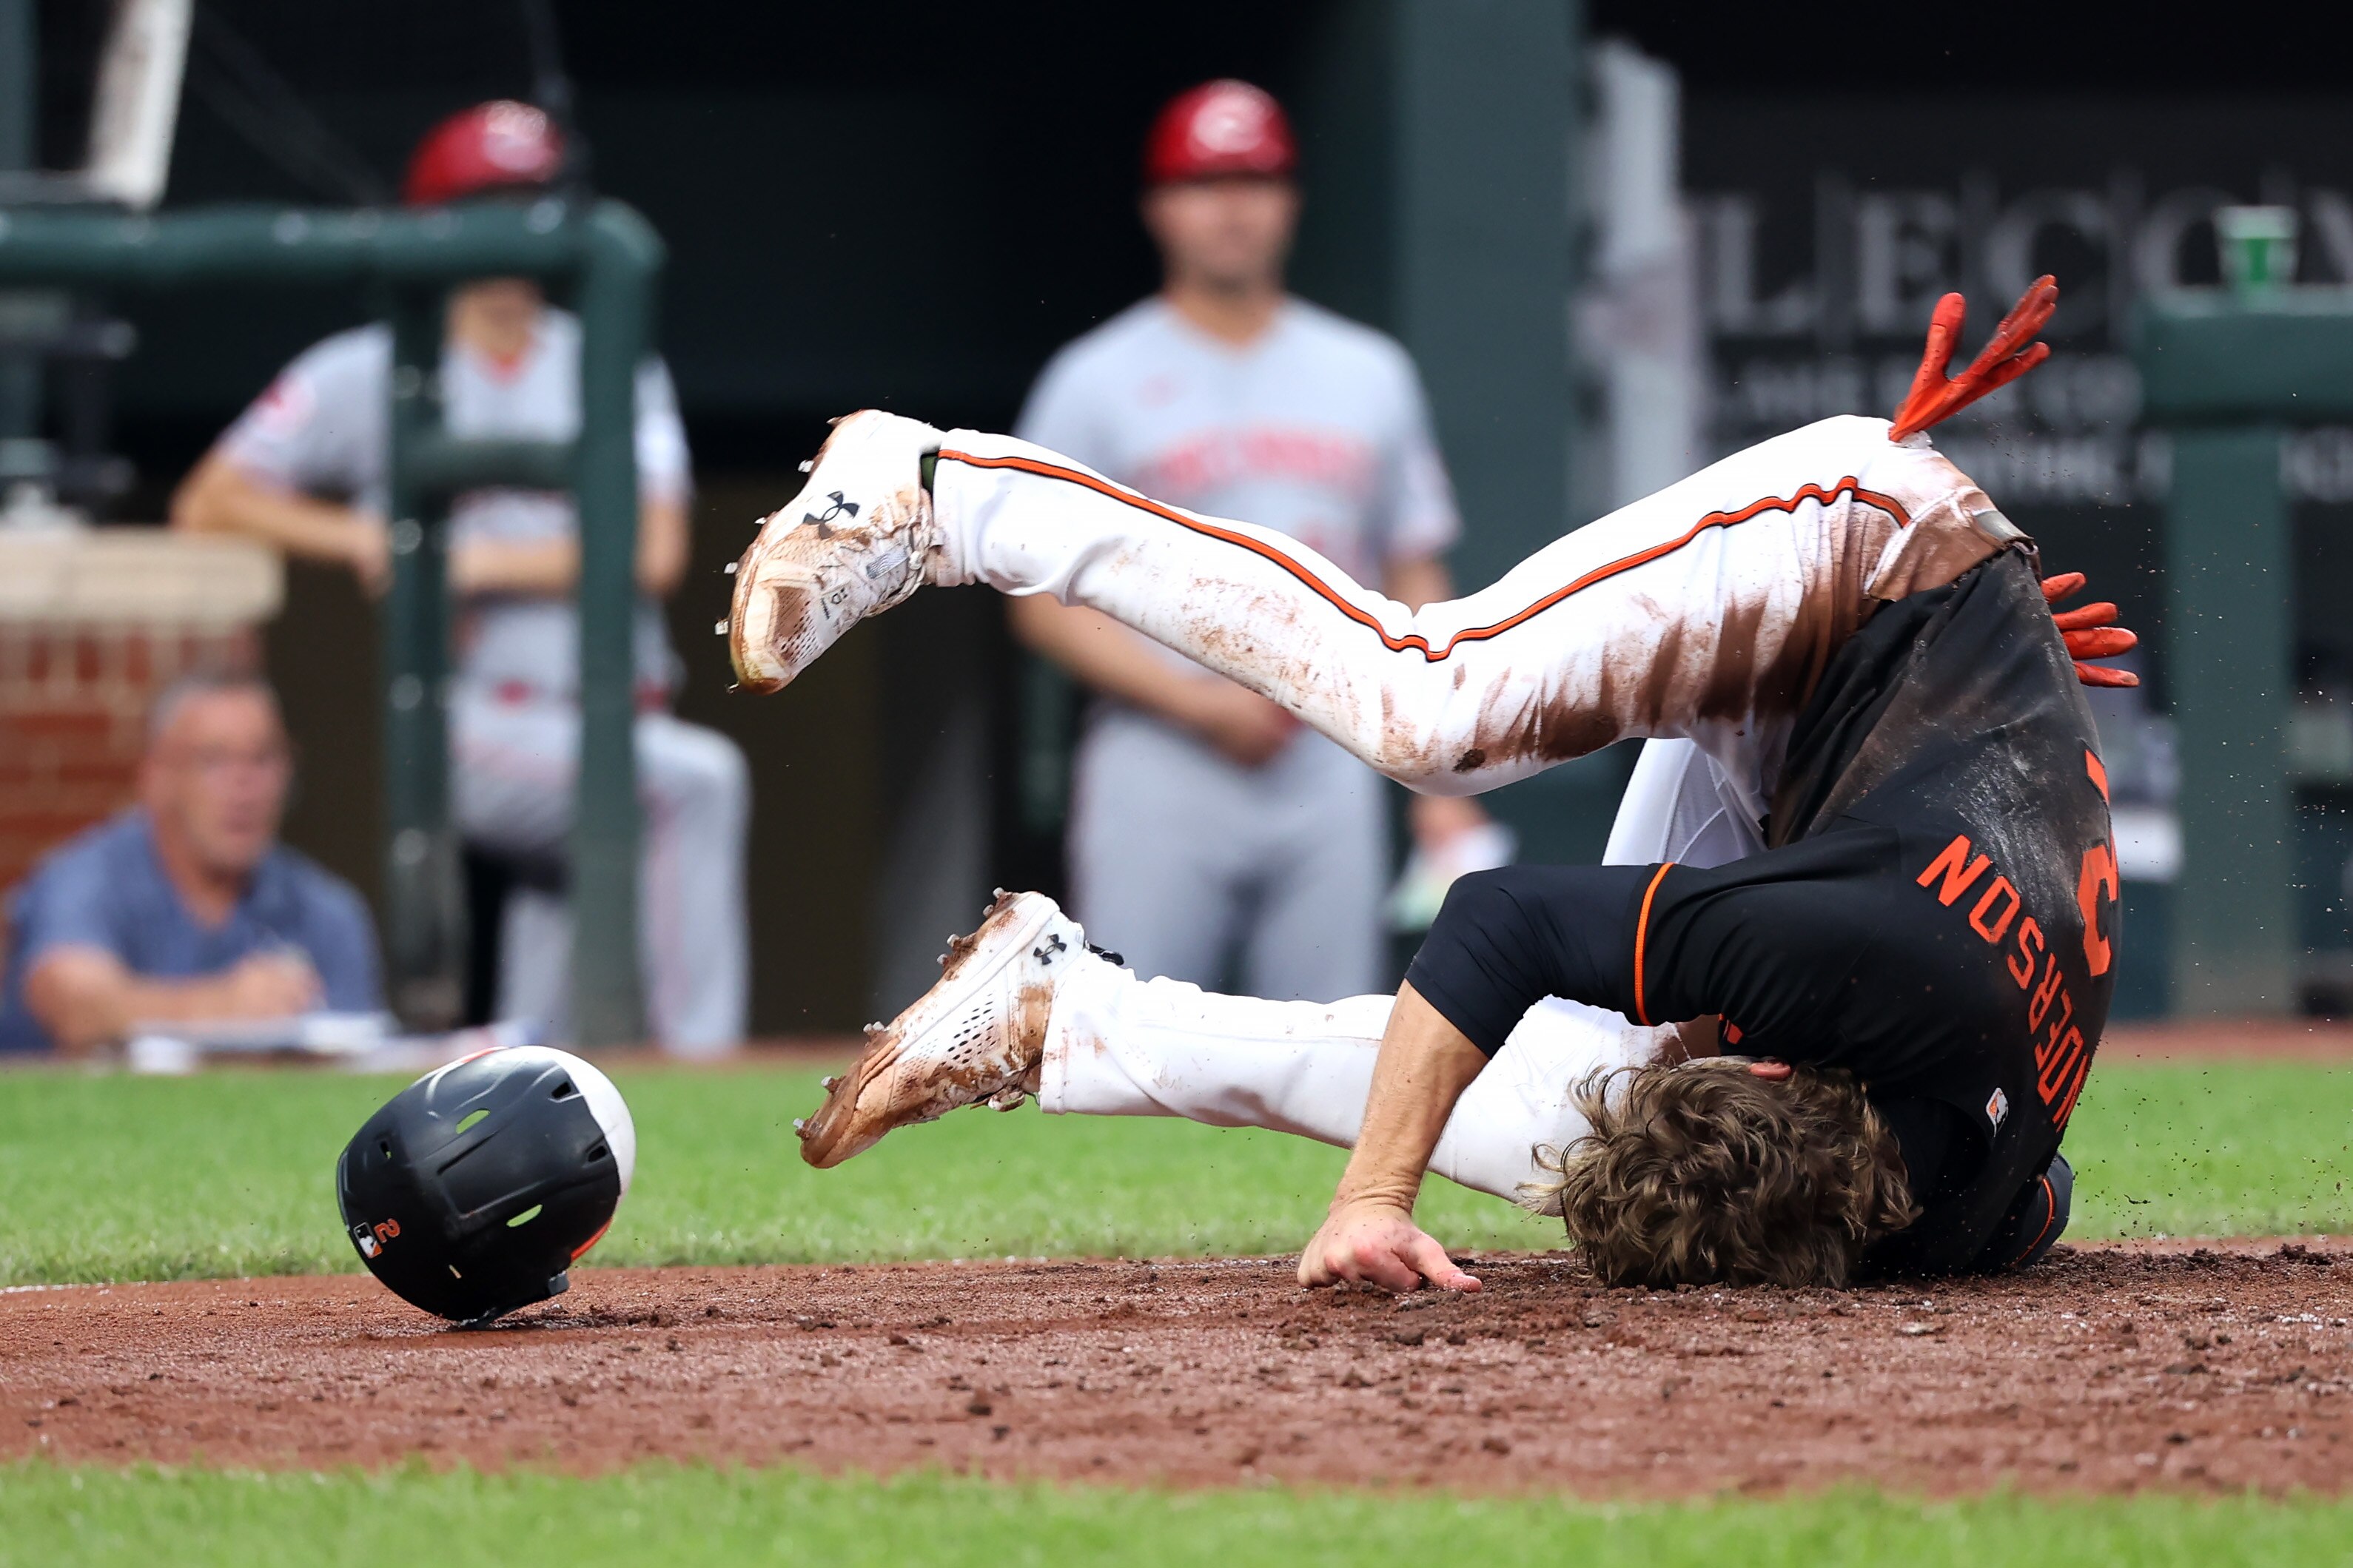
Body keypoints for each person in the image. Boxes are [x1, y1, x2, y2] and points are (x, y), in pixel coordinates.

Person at [735, 278, 2137, 1289]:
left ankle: (1063, 1013)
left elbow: (2038, 1196)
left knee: (1572, 1118)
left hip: (1881, 749)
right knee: (1429, 704)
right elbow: (1493, 921)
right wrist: (1372, 1196)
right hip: (1866, 561)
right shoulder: (1831, 954)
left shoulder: (1955, 1206)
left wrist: (1984, 690)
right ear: (1773, 1049)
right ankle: (939, 494)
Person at [170, 101, 748, 1055]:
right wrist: (366, 533)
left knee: (553, 1025)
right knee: (698, 785)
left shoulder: (608, 357)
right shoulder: (366, 367)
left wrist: (474, 559)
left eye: (536, 201)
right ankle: (708, 1064)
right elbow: (209, 500)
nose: (523, 229)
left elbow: (656, 552)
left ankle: (535, 1133)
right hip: (480, 719)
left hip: (617, 716)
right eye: (496, 203)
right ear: (441, 218)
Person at [1007, 79, 1491, 1002]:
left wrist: (1440, 762)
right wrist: (1196, 701)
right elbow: (1036, 604)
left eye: (1255, 179)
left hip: (1328, 751)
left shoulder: (1369, 372)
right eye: (1204, 182)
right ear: (1159, 206)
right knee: (1129, 1033)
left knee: (1325, 1042)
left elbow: (1413, 568)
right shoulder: (1093, 378)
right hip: (1158, 749)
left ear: (1290, 199)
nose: (1231, 207)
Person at [0, 672, 382, 1054]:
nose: (244, 786)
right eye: (214, 760)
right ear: (156, 777)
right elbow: (73, 1003)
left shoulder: (326, 911)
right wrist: (219, 1008)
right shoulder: (86, 877)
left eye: (264, 758)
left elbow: (353, 1059)